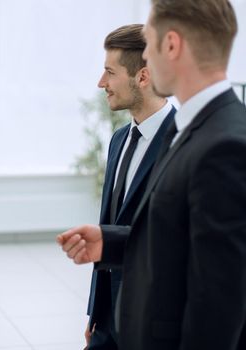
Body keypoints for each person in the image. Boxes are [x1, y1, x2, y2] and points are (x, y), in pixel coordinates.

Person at [58, 1, 246, 349]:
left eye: (151, 40)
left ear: (171, 45)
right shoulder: (194, 128)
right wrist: (110, 242)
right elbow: (180, 242)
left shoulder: (226, 145)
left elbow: (219, 302)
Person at [84, 24, 175, 350]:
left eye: (110, 72)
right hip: (109, 321)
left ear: (144, 76)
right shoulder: (119, 140)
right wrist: (96, 313)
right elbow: (107, 226)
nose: (101, 83)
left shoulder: (183, 144)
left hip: (154, 324)